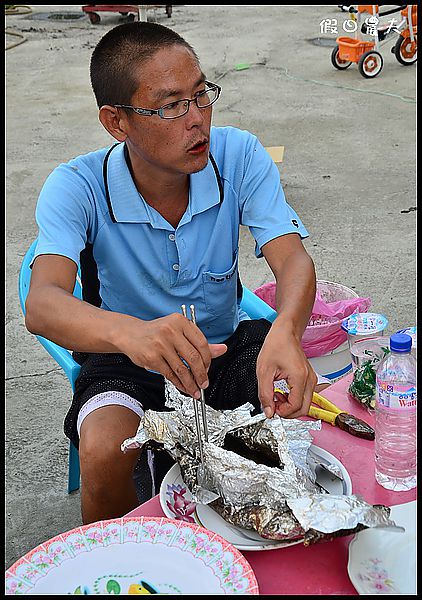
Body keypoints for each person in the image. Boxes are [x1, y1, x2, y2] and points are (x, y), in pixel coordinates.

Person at [25, 21, 323, 525]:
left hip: (225, 348)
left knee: (295, 420)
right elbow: (42, 303)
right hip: (125, 358)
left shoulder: (240, 156)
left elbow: (291, 258)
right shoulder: (78, 186)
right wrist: (133, 333)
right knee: (103, 449)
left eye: (201, 94)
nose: (198, 121)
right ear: (116, 123)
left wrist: (287, 331)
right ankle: (115, 562)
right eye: (170, 106)